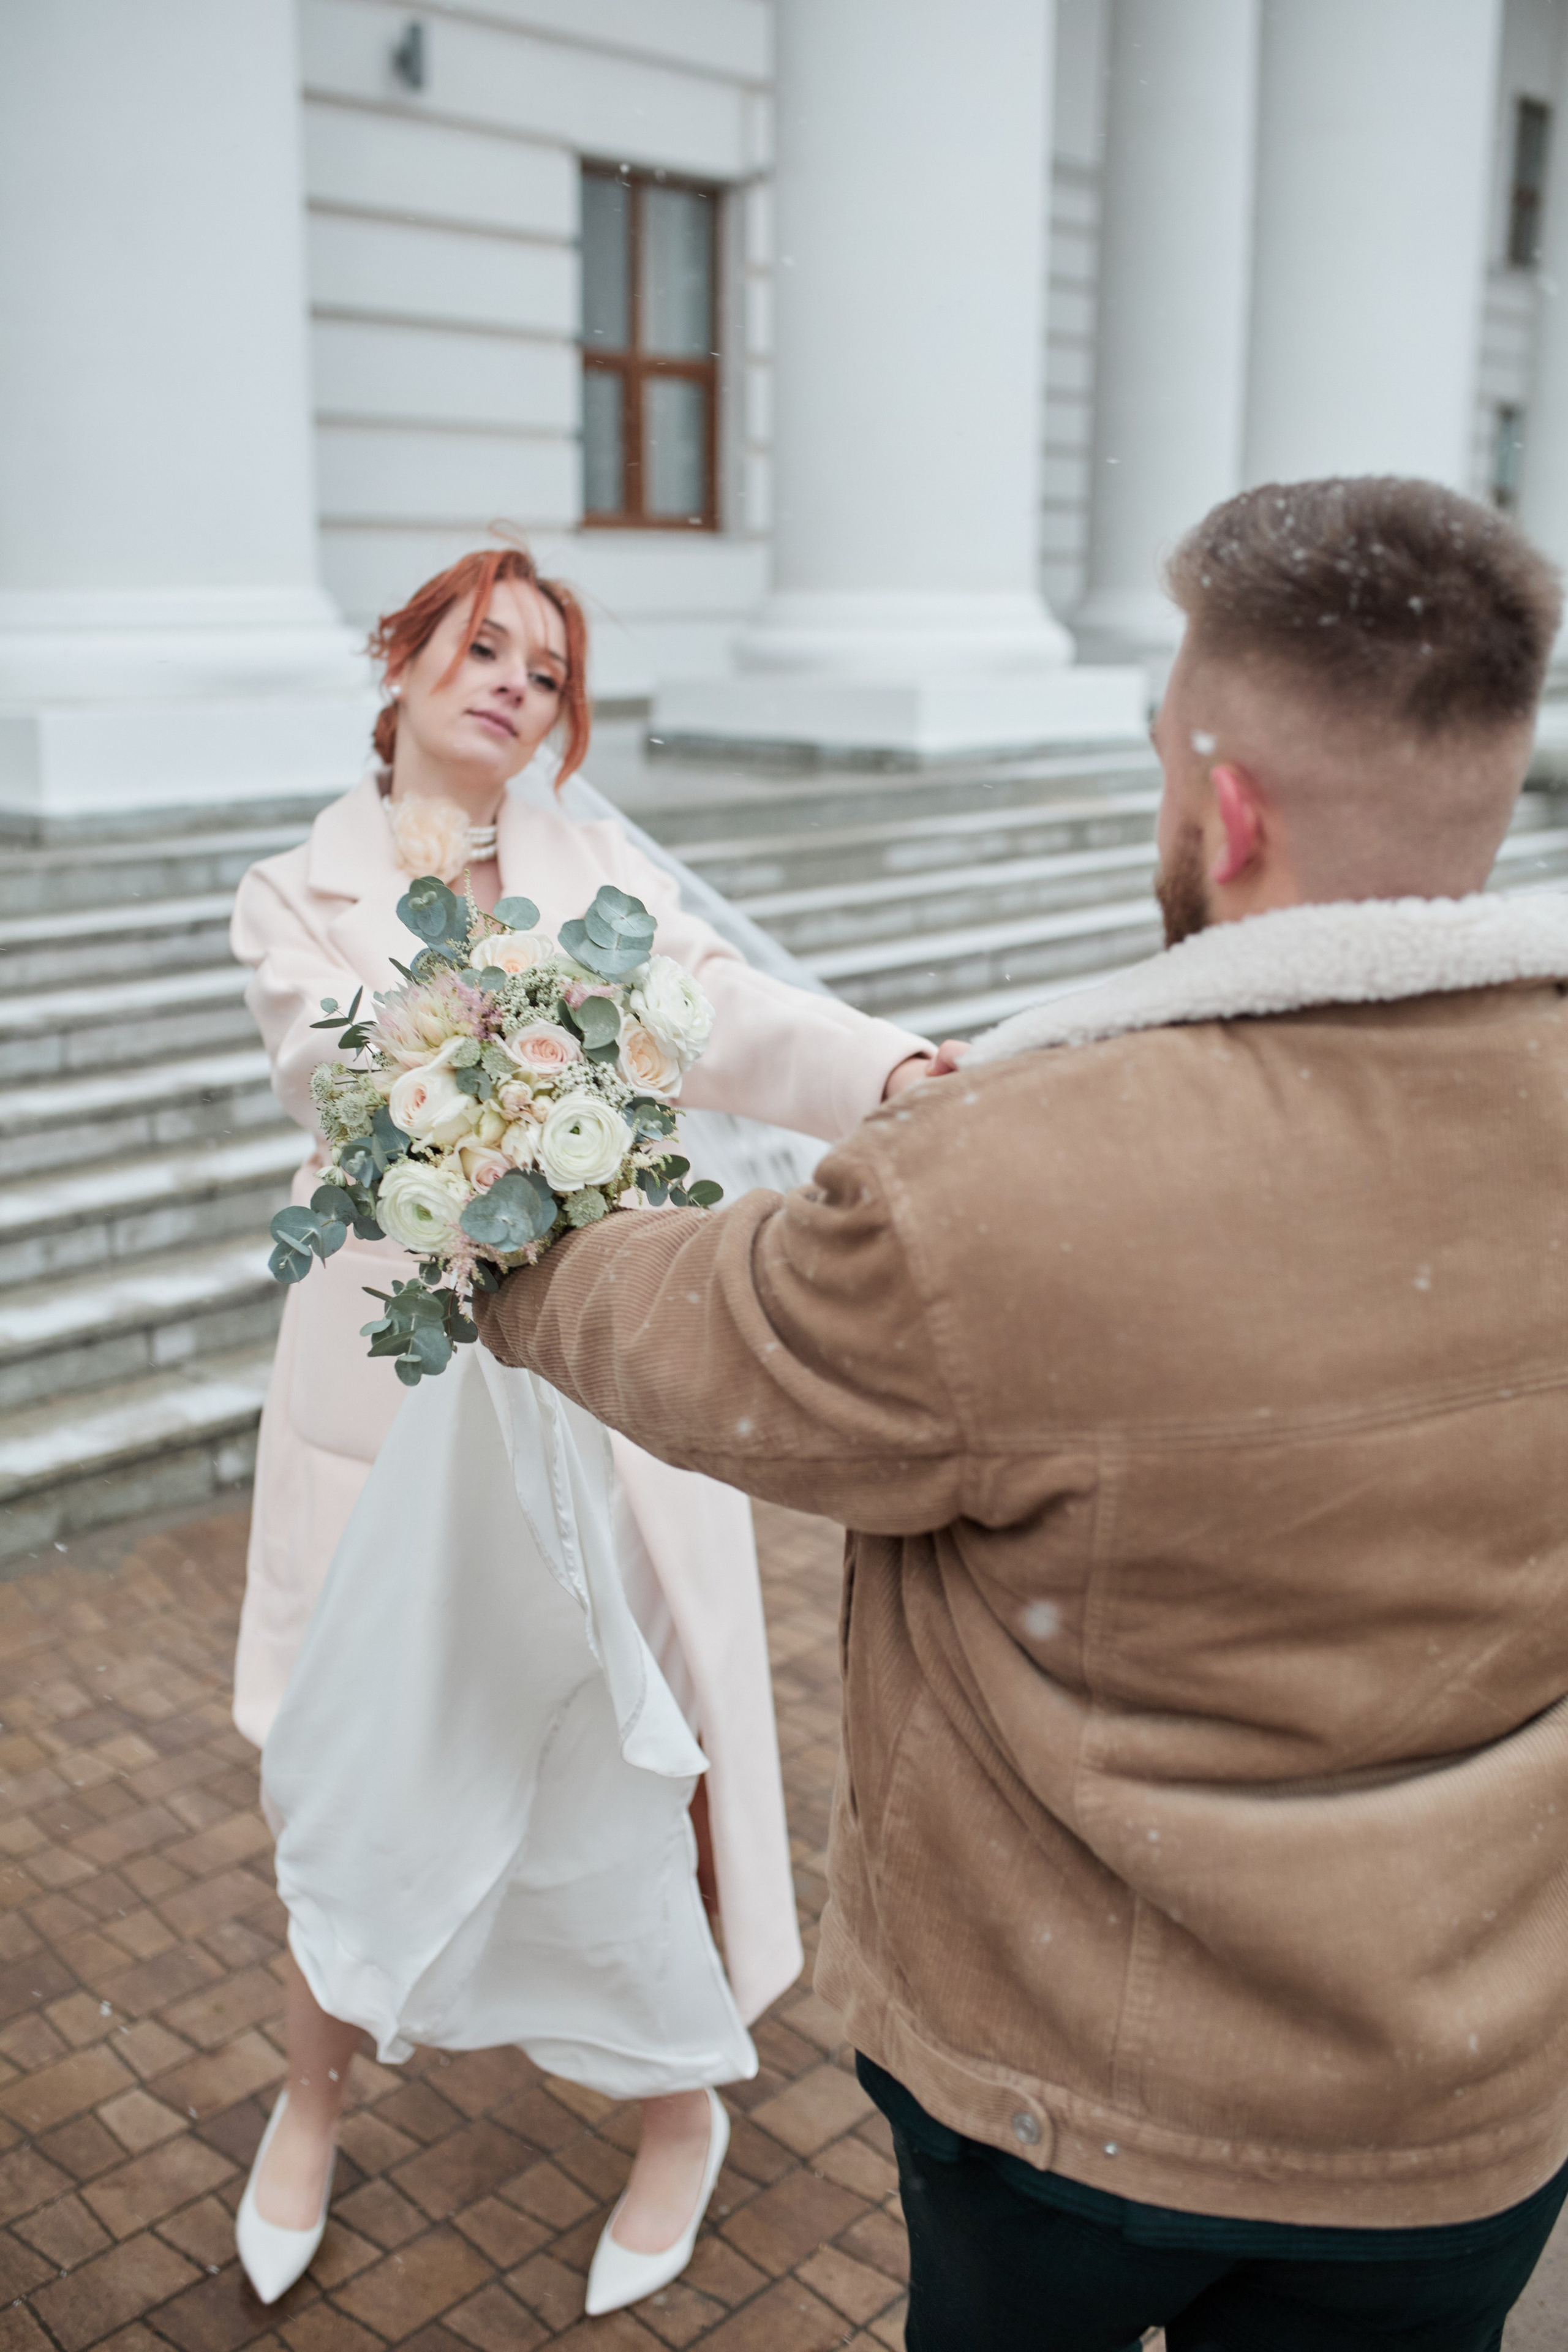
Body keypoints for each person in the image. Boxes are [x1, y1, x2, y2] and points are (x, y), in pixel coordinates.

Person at [475, 477, 1568, 2351]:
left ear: (1224, 806)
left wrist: (491, 1227)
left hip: (1074, 2104)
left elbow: (678, 1330)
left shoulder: (1010, 1189)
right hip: (1463, 2109)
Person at [228, 541, 946, 2308]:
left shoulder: (596, 872)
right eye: (485, 648)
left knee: (666, 1743)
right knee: (362, 1755)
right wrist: (508, 1011)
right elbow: (337, 1068)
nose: (515, 687)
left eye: (546, 673)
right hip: (389, 1400)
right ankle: (310, 2106)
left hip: (597, 1385)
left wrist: (892, 1072)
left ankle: (684, 2112)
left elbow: (727, 1016)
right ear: (401, 659)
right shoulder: (294, 890)